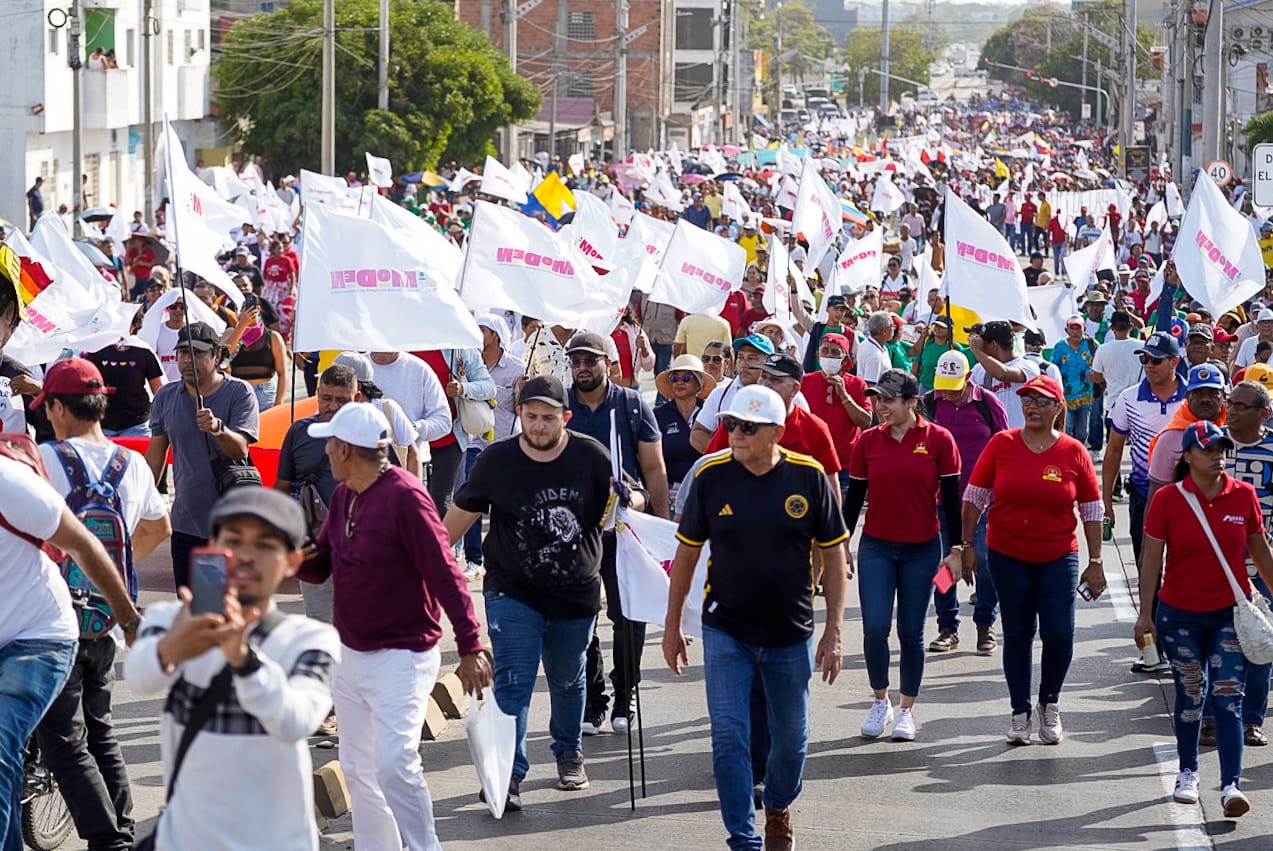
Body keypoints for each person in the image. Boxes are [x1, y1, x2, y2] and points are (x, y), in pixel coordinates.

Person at [662, 384, 848, 851]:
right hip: (727, 630)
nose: (736, 434)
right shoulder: (710, 476)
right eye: (730, 424)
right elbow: (684, 557)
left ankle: (779, 805)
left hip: (790, 633)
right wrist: (671, 626)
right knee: (729, 737)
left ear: (776, 432)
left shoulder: (808, 478)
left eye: (748, 426)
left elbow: (834, 556)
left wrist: (835, 631)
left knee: (792, 740)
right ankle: (742, 838)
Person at [298, 403, 491, 851]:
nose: (325, 451)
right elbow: (322, 561)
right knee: (359, 768)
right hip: (351, 655)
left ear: (345, 450)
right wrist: (284, 551)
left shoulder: (406, 496)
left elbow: (444, 571)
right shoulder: (346, 494)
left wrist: (470, 645)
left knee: (394, 764)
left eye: (330, 443)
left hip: (402, 656)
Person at [123, 489, 341, 850]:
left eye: (265, 544)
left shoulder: (309, 639)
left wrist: (244, 658)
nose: (246, 556)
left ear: (292, 561)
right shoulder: (172, 621)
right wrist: (170, 649)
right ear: (214, 548)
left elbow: (297, 719)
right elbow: (139, 675)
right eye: (234, 541)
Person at [445, 375, 615, 808]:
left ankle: (568, 751)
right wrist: (428, 565)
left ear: (566, 418)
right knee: (514, 681)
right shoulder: (497, 460)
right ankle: (508, 773)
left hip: (574, 593)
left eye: (548, 418)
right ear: (518, 414)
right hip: (512, 590)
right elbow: (459, 517)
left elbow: (608, 518)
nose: (538, 426)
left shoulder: (591, 457)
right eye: (531, 416)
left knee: (567, 678)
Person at [1, 454, 143, 851]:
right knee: (94, 734)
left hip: (41, 633)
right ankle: (118, 835)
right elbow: (156, 528)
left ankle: (111, 841)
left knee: (63, 743)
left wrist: (128, 620)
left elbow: (82, 544)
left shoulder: (23, 473)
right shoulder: (130, 463)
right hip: (89, 624)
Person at [1136, 420, 1273, 817]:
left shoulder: (1243, 496)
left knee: (1229, 699)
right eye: (1209, 449)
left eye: (1221, 448)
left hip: (1230, 614)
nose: (1218, 455)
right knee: (1192, 696)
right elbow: (1150, 560)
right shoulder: (1166, 500)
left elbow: (1261, 553)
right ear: (1188, 456)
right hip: (1178, 617)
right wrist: (1145, 614)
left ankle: (1231, 785)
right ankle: (1188, 772)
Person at [961, 375, 1105, 745]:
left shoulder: (1074, 451)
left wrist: (1096, 560)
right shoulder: (1002, 444)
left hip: (1058, 556)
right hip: (1008, 555)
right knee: (1018, 633)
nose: (1032, 407)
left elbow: (1091, 508)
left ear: (1059, 407)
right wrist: (966, 546)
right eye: (1027, 401)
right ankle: (1020, 711)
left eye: (1041, 401)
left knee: (1059, 633)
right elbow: (974, 497)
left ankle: (1050, 702)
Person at [843, 369, 962, 741]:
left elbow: (954, 503)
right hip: (877, 544)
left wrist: (957, 550)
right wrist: (840, 544)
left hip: (922, 548)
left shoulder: (939, 439)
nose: (880, 407)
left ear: (912, 403)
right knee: (875, 626)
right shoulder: (867, 442)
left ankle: (907, 709)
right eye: (877, 399)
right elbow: (853, 499)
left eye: (889, 400)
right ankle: (881, 702)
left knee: (911, 632)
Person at [564, 331, 669, 734]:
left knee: (627, 615)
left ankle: (625, 694)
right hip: (573, 532)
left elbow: (655, 469)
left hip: (623, 528)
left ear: (608, 362)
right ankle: (593, 699)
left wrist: (659, 526)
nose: (583, 367)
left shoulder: (630, 404)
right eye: (576, 361)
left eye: (590, 360)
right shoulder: (561, 404)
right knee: (581, 616)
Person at [274, 361, 418, 623]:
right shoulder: (298, 432)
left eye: (342, 400)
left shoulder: (372, 430)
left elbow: (394, 485)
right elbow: (282, 489)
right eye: (326, 398)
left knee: (364, 627)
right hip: (316, 546)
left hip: (365, 550)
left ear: (357, 398)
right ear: (317, 394)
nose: (332, 406)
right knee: (321, 631)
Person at [146, 322, 260, 590]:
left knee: (218, 611)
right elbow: (156, 454)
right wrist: (141, 500)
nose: (188, 360)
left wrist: (218, 429)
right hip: (185, 523)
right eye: (183, 353)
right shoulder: (165, 396)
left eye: (197, 353)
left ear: (217, 356)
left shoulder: (239, 392)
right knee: (189, 608)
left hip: (228, 525)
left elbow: (240, 449)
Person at [1200, 379, 1273, 748]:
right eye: (1233, 403)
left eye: (1243, 406)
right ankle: (1212, 717)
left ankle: (1250, 721)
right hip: (1210, 564)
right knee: (1213, 643)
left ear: (1264, 413)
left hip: (1260, 565)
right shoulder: (1211, 444)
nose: (1234, 411)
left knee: (1259, 644)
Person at [922, 351, 1008, 655]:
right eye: (943, 383)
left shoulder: (987, 403)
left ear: (969, 378)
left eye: (953, 384)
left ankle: (985, 622)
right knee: (943, 564)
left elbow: (1004, 445)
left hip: (983, 501)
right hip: (941, 501)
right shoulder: (930, 403)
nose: (947, 390)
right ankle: (947, 626)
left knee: (985, 562)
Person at [1102, 331, 1186, 567]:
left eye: (1156, 360)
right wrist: (1106, 500)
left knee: (1183, 567)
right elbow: (1114, 451)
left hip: (1187, 497)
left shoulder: (1193, 398)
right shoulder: (1128, 399)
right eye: (1144, 359)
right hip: (1143, 496)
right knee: (1146, 565)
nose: (1149, 365)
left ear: (1174, 361)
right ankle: (1148, 606)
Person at [454, 315, 524, 578]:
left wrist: (524, 391)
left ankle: (505, 556)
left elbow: (521, 408)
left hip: (504, 444)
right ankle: (474, 559)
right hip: (473, 442)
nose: (478, 334)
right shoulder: (465, 363)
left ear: (496, 334)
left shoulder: (516, 368)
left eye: (482, 330)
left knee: (504, 504)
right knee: (472, 498)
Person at [802, 333, 872, 498]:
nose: (829, 356)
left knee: (839, 519)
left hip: (844, 465)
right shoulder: (805, 382)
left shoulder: (857, 384)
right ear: (818, 355)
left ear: (844, 358)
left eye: (835, 352)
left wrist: (844, 395)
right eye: (825, 351)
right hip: (810, 463)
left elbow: (866, 422)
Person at [1147, 364, 1228, 502]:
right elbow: (1156, 496)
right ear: (1187, 396)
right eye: (1198, 393)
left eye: (1212, 393)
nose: (1205, 399)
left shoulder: (1234, 431)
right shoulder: (1170, 438)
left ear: (1224, 396)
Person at [654, 355, 715, 513]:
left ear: (699, 384)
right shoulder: (658, 415)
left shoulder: (711, 413)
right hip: (670, 495)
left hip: (705, 492)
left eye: (687, 377)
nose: (679, 382)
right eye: (674, 378)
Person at [85, 334, 164, 437]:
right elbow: (85, 386)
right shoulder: (96, 350)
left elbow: (158, 390)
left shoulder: (143, 351)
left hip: (137, 425)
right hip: (102, 425)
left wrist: (164, 419)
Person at [967, 320, 1041, 428]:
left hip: (1022, 437)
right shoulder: (979, 369)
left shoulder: (1028, 366)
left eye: (984, 344)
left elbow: (1002, 374)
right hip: (994, 438)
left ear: (993, 345)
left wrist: (977, 351)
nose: (982, 347)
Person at [1050, 316, 1098, 451]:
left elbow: (1102, 361)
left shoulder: (1092, 344)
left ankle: (1079, 452)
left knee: (1083, 432)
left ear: (1085, 329)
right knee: (1067, 429)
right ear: (1066, 330)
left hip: (1086, 396)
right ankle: (1068, 454)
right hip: (1066, 397)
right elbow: (1053, 369)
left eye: (1078, 328)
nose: (1075, 332)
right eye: (1072, 328)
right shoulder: (1060, 347)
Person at [228, 316, 289, 410]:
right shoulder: (231, 334)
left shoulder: (272, 336)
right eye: (243, 308)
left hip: (265, 392)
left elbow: (283, 373)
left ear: (258, 309)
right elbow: (224, 356)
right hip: (239, 391)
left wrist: (279, 403)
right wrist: (241, 326)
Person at [857, 311, 895, 385]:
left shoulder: (868, 344)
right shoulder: (874, 355)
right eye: (892, 326)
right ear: (884, 331)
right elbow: (870, 387)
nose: (894, 329)